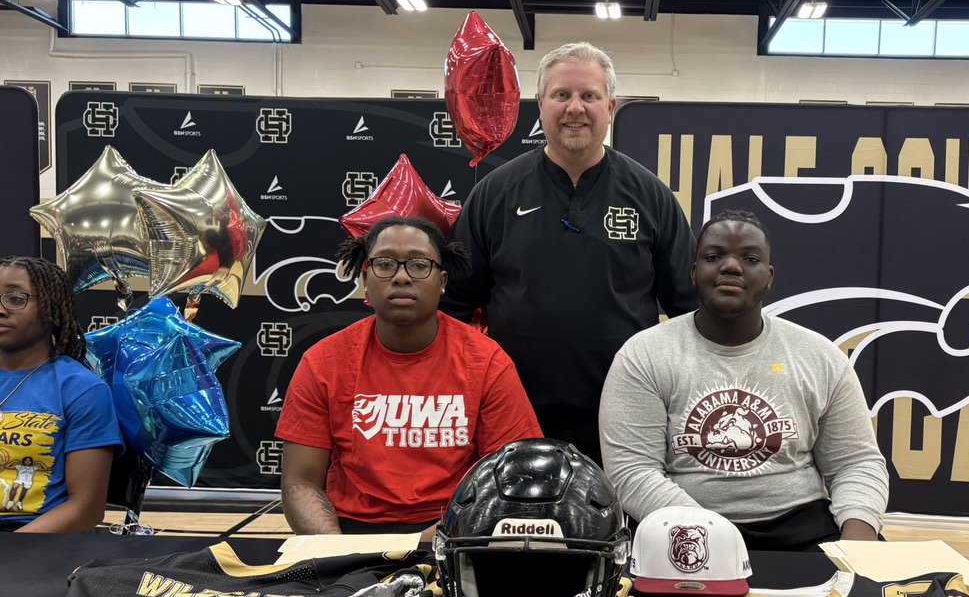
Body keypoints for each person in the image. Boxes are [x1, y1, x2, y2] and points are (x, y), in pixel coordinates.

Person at [443, 41, 697, 464]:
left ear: (610, 106)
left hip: (626, 414)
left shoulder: (650, 195)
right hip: (512, 411)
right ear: (540, 104)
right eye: (562, 94)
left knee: (620, 526)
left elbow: (689, 312)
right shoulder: (495, 193)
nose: (574, 107)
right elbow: (454, 307)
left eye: (589, 96)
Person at [598, 210, 888, 551]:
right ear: (694, 273)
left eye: (749, 258)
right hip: (682, 526)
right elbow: (633, 473)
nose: (731, 267)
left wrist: (859, 543)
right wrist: (710, 536)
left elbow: (856, 463)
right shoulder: (643, 355)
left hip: (800, 527)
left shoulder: (820, 356)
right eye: (713, 256)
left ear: (769, 276)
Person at [277, 216, 542, 536]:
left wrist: (438, 539)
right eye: (385, 264)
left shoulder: (487, 363)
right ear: (365, 278)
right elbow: (301, 482)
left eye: (419, 265)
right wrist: (336, 551)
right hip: (349, 532)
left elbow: (514, 479)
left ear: (443, 281)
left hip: (455, 534)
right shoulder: (323, 363)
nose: (401, 277)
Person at [0, 256, 122, 533]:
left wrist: (9, 551)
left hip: (31, 546)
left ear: (50, 307)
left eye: (15, 299)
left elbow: (86, 509)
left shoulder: (82, 390)